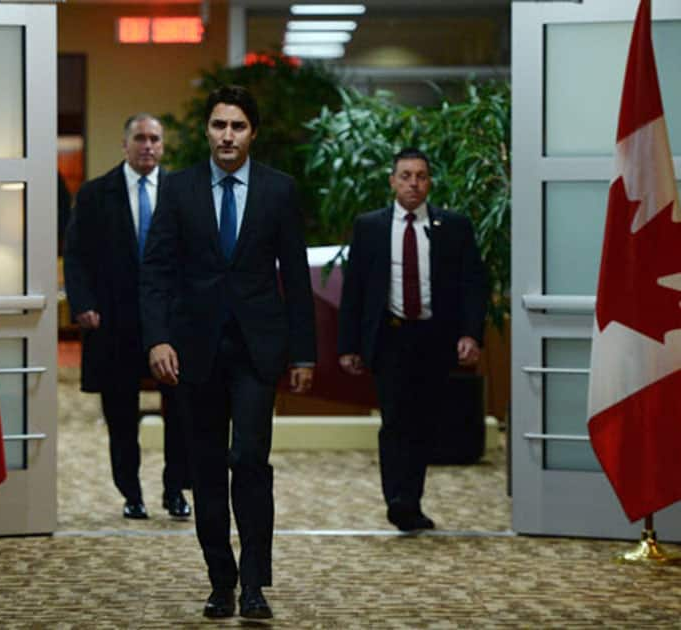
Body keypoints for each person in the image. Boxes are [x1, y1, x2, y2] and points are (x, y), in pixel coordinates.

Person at [140, 85, 316, 620]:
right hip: (194, 349)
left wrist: (304, 355)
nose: (227, 136)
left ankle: (256, 581)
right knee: (208, 466)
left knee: (250, 460)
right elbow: (156, 271)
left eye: (237, 127)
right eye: (219, 125)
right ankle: (222, 580)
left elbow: (297, 278)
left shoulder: (279, 190)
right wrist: (158, 337)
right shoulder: (178, 189)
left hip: (257, 349)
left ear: (252, 133)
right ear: (207, 131)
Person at [337, 147, 487, 532]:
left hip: (433, 338)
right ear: (392, 181)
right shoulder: (370, 226)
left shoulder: (453, 226)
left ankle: (412, 500)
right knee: (394, 420)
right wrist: (348, 346)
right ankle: (397, 499)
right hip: (390, 336)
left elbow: (473, 285)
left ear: (430, 182)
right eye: (405, 176)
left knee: (423, 422)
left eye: (420, 176)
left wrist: (471, 334)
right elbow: (354, 290)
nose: (413, 184)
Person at [63, 114, 191, 521]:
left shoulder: (182, 192)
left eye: (155, 139)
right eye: (140, 138)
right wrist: (83, 304)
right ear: (125, 144)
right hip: (113, 322)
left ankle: (175, 491)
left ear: (163, 146)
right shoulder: (96, 193)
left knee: (182, 412)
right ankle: (131, 493)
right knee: (121, 417)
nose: (148, 146)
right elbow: (77, 255)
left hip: (171, 324)